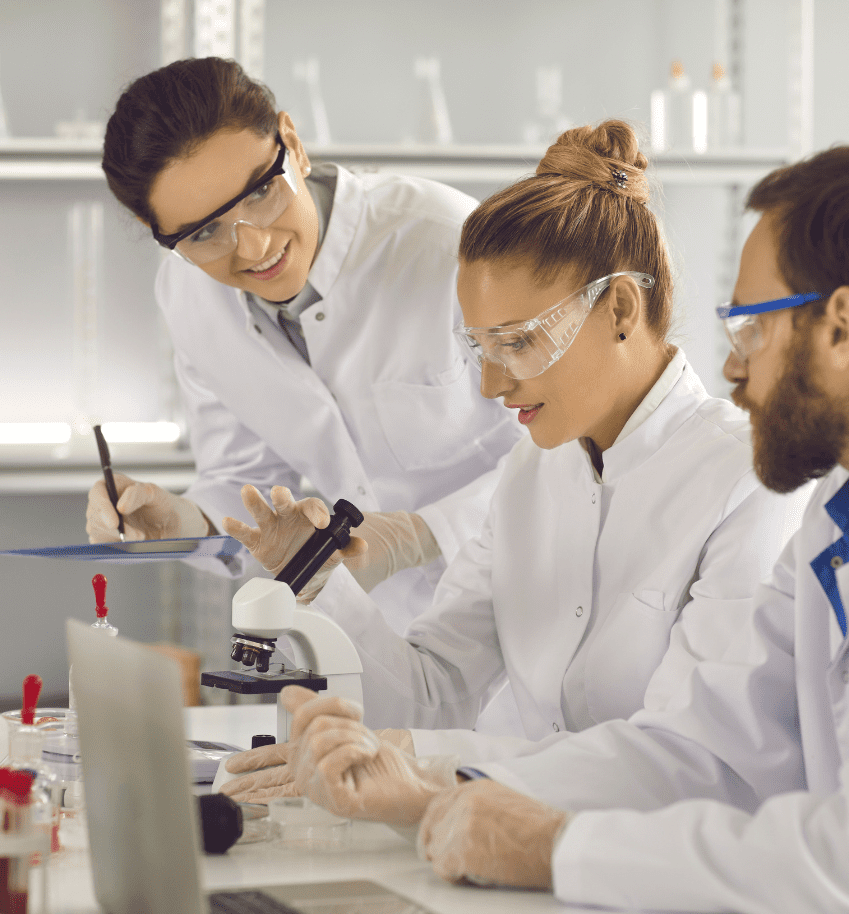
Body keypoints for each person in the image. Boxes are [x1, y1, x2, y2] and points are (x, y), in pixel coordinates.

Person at [280, 142, 849, 914]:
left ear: (842, 326)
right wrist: (435, 781)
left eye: (751, 326)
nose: (735, 369)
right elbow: (692, 746)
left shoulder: (806, 502)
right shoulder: (840, 517)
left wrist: (557, 848)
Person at [219, 120, 811, 803]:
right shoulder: (531, 474)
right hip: (520, 856)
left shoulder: (749, 480)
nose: (491, 387)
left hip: (668, 883)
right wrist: (320, 581)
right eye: (479, 349)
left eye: (518, 343)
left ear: (620, 306)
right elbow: (433, 695)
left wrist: (432, 768)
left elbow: (692, 759)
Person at [85, 57, 522, 635]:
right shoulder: (190, 296)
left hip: (527, 611)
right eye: (205, 233)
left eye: (262, 192)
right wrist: (182, 522)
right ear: (160, 234)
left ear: (291, 141)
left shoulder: (448, 245)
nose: (255, 246)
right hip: (390, 639)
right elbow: (248, 479)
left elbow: (572, 453)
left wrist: (426, 532)